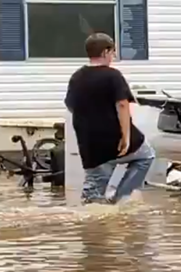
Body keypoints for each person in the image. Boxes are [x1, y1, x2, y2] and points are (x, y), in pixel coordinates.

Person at [64, 33, 155, 204]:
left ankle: (91, 222)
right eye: (113, 52)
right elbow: (122, 105)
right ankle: (121, 198)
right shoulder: (113, 76)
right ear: (105, 52)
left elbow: (70, 106)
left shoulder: (77, 77)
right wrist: (126, 137)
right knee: (146, 156)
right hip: (113, 141)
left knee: (93, 193)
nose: (113, 56)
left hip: (89, 145)